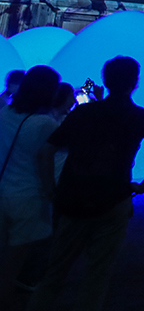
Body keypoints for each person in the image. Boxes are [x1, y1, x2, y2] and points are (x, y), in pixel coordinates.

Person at [30, 55, 144, 311]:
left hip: (73, 195)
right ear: (135, 83)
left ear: (105, 80)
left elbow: (46, 150)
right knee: (98, 272)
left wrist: (50, 188)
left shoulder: (83, 112)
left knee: (56, 269)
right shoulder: (141, 116)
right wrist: (143, 185)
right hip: (115, 197)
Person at [0, 66, 62, 301]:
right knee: (12, 266)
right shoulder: (45, 124)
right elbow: (55, 153)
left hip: (3, 189)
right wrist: (51, 192)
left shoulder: (4, 114)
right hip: (28, 197)